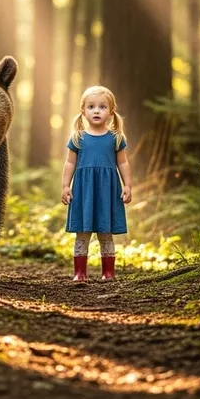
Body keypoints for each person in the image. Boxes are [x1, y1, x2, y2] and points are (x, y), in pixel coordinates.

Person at [61, 85, 132, 282]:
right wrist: (66, 186)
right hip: (84, 190)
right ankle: (79, 273)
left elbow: (123, 162)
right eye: (91, 107)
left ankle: (108, 272)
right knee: (82, 232)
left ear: (111, 112)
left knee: (105, 232)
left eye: (102, 107)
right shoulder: (78, 137)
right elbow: (70, 163)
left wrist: (127, 185)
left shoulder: (116, 138)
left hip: (107, 191)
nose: (96, 111)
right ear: (83, 111)